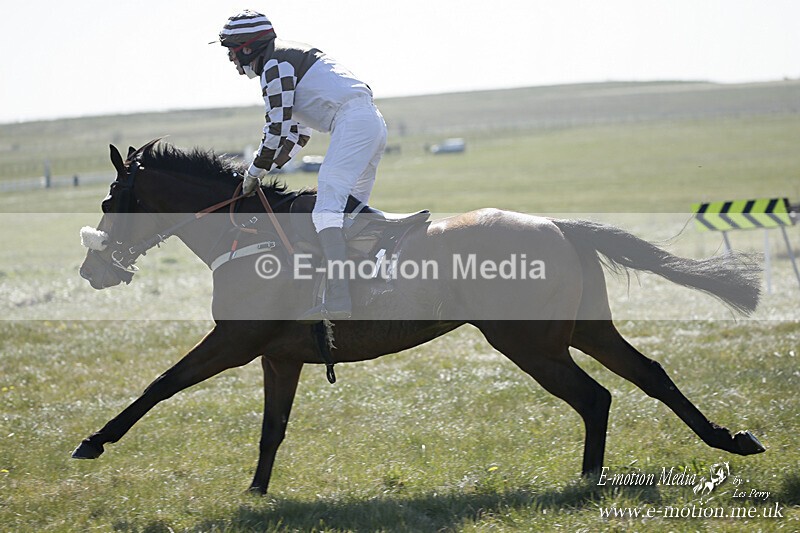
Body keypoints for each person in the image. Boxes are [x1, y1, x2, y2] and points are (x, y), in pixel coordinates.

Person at [219, 10, 388, 321]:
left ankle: (338, 299)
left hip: (354, 123)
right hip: (367, 122)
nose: (230, 58)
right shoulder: (283, 58)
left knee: (327, 209)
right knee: (349, 213)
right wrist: (268, 166)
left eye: (231, 49)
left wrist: (255, 171)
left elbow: (276, 128)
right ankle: (366, 280)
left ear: (247, 47)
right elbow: (299, 133)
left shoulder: (274, 64)